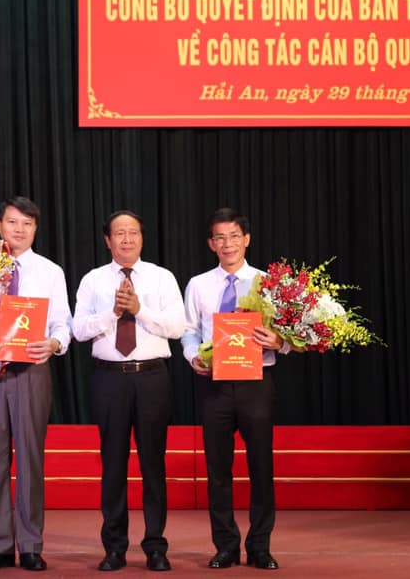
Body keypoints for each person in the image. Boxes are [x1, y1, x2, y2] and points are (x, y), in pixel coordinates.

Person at [0, 197, 72, 572]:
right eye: (12, 222)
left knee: (30, 457)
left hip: (32, 370)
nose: (19, 229)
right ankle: (0, 545)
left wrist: (54, 343)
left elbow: (63, 323)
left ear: (35, 228)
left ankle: (31, 544)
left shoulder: (50, 271)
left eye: (27, 223)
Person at [72, 210, 185, 573]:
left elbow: (177, 327)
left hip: (152, 377)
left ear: (142, 238)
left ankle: (156, 546)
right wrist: (112, 313)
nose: (126, 239)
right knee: (113, 464)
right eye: (119, 233)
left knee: (153, 464)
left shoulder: (162, 277)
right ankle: (114, 547)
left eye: (133, 232)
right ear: (108, 240)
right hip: (110, 379)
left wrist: (140, 310)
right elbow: (78, 330)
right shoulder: (92, 280)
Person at [181, 208, 287, 571]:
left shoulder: (267, 283)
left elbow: (288, 336)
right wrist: (193, 356)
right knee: (218, 470)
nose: (228, 244)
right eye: (220, 238)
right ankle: (225, 545)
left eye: (234, 236)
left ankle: (260, 546)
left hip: (257, 383)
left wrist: (279, 341)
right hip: (215, 385)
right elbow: (189, 331)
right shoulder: (198, 284)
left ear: (247, 239)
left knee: (261, 467)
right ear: (211, 244)